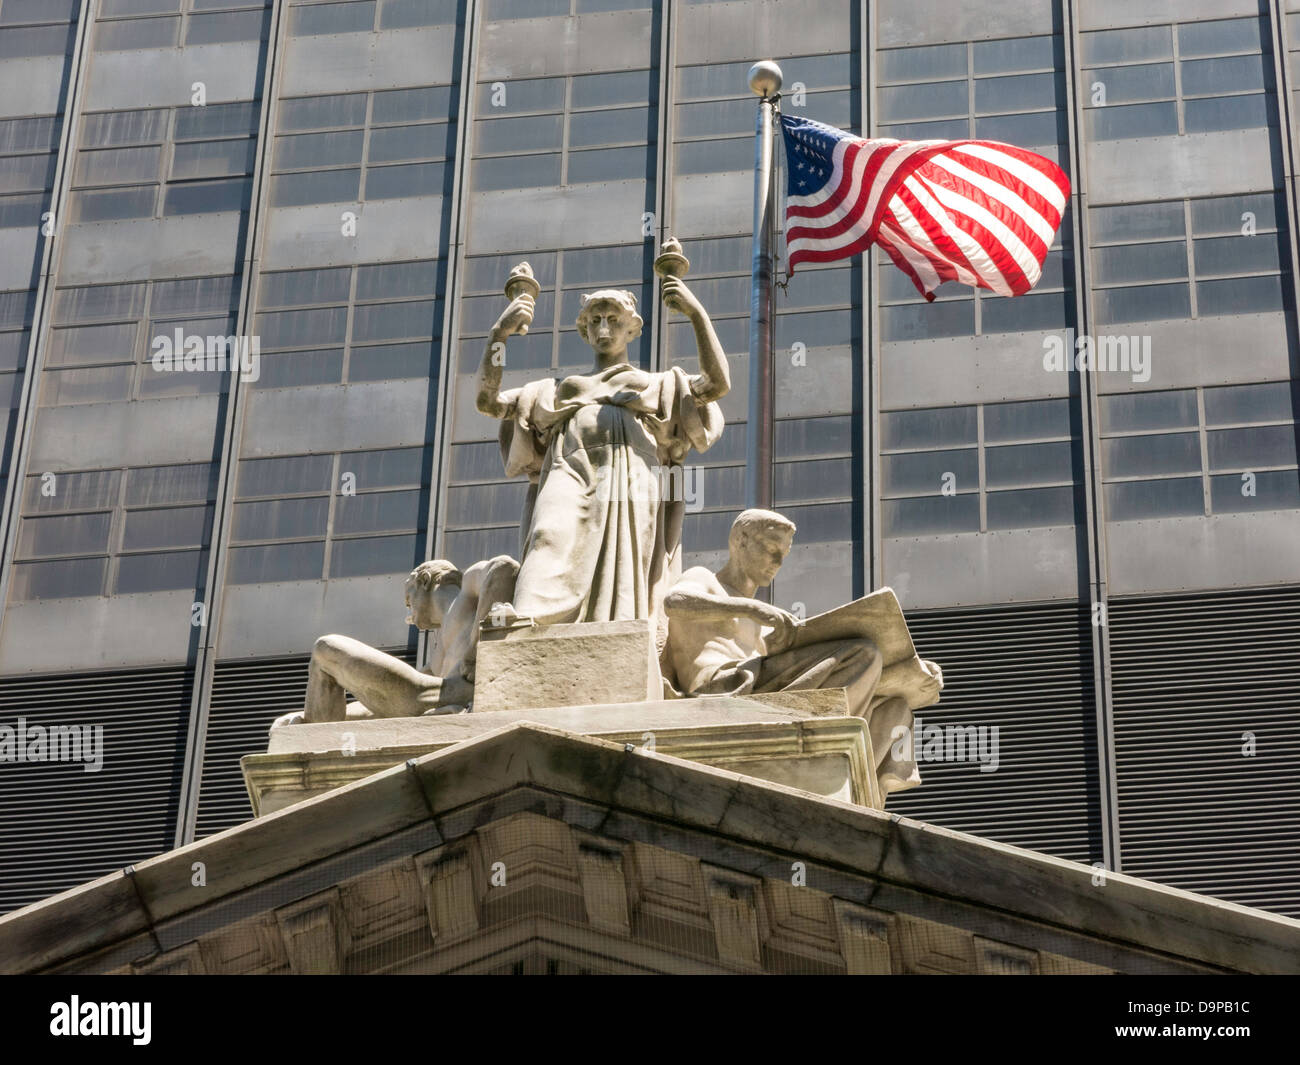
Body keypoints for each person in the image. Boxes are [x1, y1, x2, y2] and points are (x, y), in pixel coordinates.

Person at [475, 266, 730, 662]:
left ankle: (615, 638)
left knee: (623, 563)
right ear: (584, 330)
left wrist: (697, 314)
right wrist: (499, 336)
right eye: (594, 320)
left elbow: (716, 384)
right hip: (569, 469)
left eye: (614, 320)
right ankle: (524, 622)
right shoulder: (559, 388)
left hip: (631, 478)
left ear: (633, 328)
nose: (604, 328)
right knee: (548, 532)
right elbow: (489, 402)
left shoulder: (657, 384)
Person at [664, 509, 942, 797]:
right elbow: (674, 601)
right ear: (740, 540)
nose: (778, 562)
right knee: (864, 654)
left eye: (783, 553)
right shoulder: (707, 580)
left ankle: (841, 769)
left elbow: (814, 676)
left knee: (895, 707)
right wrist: (752, 608)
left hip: (765, 690)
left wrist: (906, 675)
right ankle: (816, 745)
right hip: (724, 687)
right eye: (772, 548)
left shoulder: (766, 626)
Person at [271, 555, 518, 727]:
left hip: (445, 696)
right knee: (326, 658)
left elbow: (503, 567)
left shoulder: (466, 592)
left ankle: (313, 740)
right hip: (425, 697)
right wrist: (303, 714)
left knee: (326, 649)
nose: (409, 614)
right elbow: (377, 698)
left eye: (409, 601)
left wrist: (475, 652)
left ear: (424, 581)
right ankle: (312, 730)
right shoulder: (436, 656)